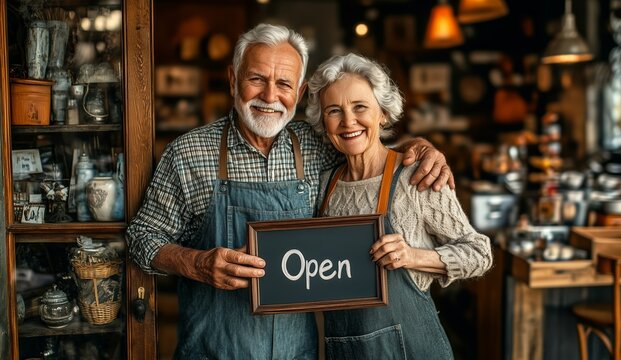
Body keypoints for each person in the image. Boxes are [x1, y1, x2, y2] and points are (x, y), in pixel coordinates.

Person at [127, 24, 453, 359]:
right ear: (233, 79)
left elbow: (370, 148)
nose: (270, 96)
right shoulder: (188, 153)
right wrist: (197, 263)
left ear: (299, 92)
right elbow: (141, 237)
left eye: (284, 83)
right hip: (213, 350)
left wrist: (419, 148)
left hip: (298, 351)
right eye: (256, 79)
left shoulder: (317, 145)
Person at [306, 53, 493, 359]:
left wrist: (411, 256)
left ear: (382, 113)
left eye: (360, 107)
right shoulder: (322, 186)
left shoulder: (415, 176)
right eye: (334, 111)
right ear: (322, 121)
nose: (348, 121)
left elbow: (479, 253)